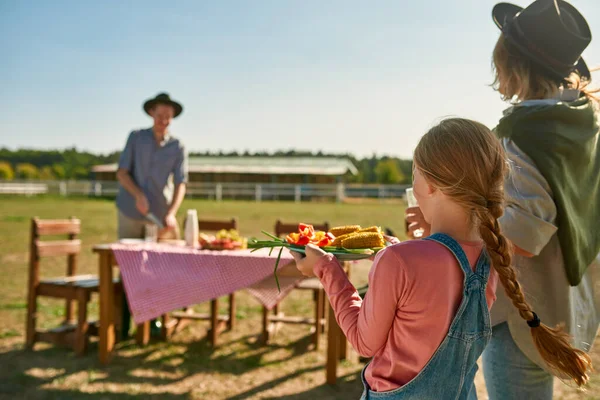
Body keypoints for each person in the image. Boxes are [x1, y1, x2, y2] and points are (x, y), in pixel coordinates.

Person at [294, 118, 591, 399]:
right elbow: (437, 270)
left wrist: (325, 268)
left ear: (431, 185)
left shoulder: (399, 261)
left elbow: (363, 341)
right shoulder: (492, 257)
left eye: (415, 174)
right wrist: (402, 247)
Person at [406, 1, 600, 398]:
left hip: (523, 310)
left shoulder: (524, 137)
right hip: (571, 295)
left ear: (512, 65)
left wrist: (444, 226)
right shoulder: (584, 123)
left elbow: (523, 240)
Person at [116, 92, 188, 338]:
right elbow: (122, 172)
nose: (164, 120)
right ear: (151, 114)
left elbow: (181, 183)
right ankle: (123, 323)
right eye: (160, 115)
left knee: (159, 268)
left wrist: (171, 213)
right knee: (128, 266)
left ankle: (154, 320)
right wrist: (137, 194)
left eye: (168, 117)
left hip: (159, 215)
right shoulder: (136, 138)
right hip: (130, 211)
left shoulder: (177, 146)